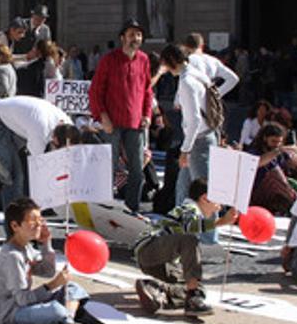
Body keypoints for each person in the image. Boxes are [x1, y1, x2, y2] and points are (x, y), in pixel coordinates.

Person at [132, 179, 238, 317]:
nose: (220, 207)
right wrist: (221, 222)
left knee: (197, 286)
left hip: (161, 261)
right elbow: (190, 226)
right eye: (218, 201)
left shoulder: (192, 210)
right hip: (150, 247)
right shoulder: (190, 208)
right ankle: (193, 299)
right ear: (205, 198)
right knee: (190, 241)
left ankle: (158, 291)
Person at [0, 197, 89, 324]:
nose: (38, 225)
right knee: (56, 309)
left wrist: (46, 244)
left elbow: (46, 271)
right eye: (32, 220)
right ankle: (65, 319)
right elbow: (22, 299)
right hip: (10, 312)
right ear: (15, 226)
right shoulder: (12, 256)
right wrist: (53, 284)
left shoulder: (26, 247)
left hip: (24, 304)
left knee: (73, 288)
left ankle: (66, 322)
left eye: (40, 220)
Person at [89, 21, 154, 212]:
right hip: (113, 123)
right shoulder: (109, 59)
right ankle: (105, 208)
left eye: (139, 35)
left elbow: (148, 90)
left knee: (137, 169)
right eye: (132, 34)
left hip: (135, 123)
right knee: (108, 168)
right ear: (122, 38)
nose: (136, 38)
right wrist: (102, 116)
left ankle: (131, 209)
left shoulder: (144, 60)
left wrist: (147, 115)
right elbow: (96, 90)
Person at [0, 95, 72, 208]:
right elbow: (37, 167)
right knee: (13, 172)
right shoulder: (40, 131)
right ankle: (14, 211)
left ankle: (21, 204)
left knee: (19, 165)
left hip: (11, 119)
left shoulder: (67, 124)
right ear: (55, 140)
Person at [159, 43, 217, 208]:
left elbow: (194, 120)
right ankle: (182, 227)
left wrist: (185, 150)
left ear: (171, 61)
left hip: (198, 141)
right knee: (183, 189)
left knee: (203, 195)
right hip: (204, 136)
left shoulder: (186, 82)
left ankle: (207, 234)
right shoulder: (197, 75)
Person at [246, 122, 297, 216]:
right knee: (274, 174)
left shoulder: (278, 153)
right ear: (265, 138)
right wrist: (279, 150)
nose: (276, 145)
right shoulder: (254, 152)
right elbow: (257, 163)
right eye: (273, 141)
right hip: (257, 192)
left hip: (277, 194)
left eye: (279, 142)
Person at [183, 32, 239, 97]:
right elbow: (234, 78)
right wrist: (217, 93)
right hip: (209, 101)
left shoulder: (187, 61)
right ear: (202, 46)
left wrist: (177, 100)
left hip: (191, 99)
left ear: (186, 47)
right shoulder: (213, 61)